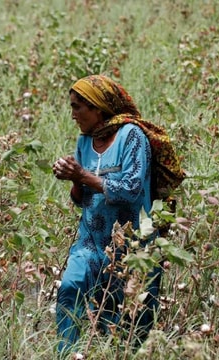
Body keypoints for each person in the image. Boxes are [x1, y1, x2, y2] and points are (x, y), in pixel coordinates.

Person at [52, 75, 162, 353]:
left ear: (98, 108)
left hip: (132, 242)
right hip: (91, 239)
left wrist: (83, 175)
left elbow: (131, 191)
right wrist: (74, 179)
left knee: (122, 317)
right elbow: (81, 200)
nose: (73, 114)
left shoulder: (132, 136)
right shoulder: (84, 141)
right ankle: (66, 354)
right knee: (70, 287)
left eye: (78, 107)